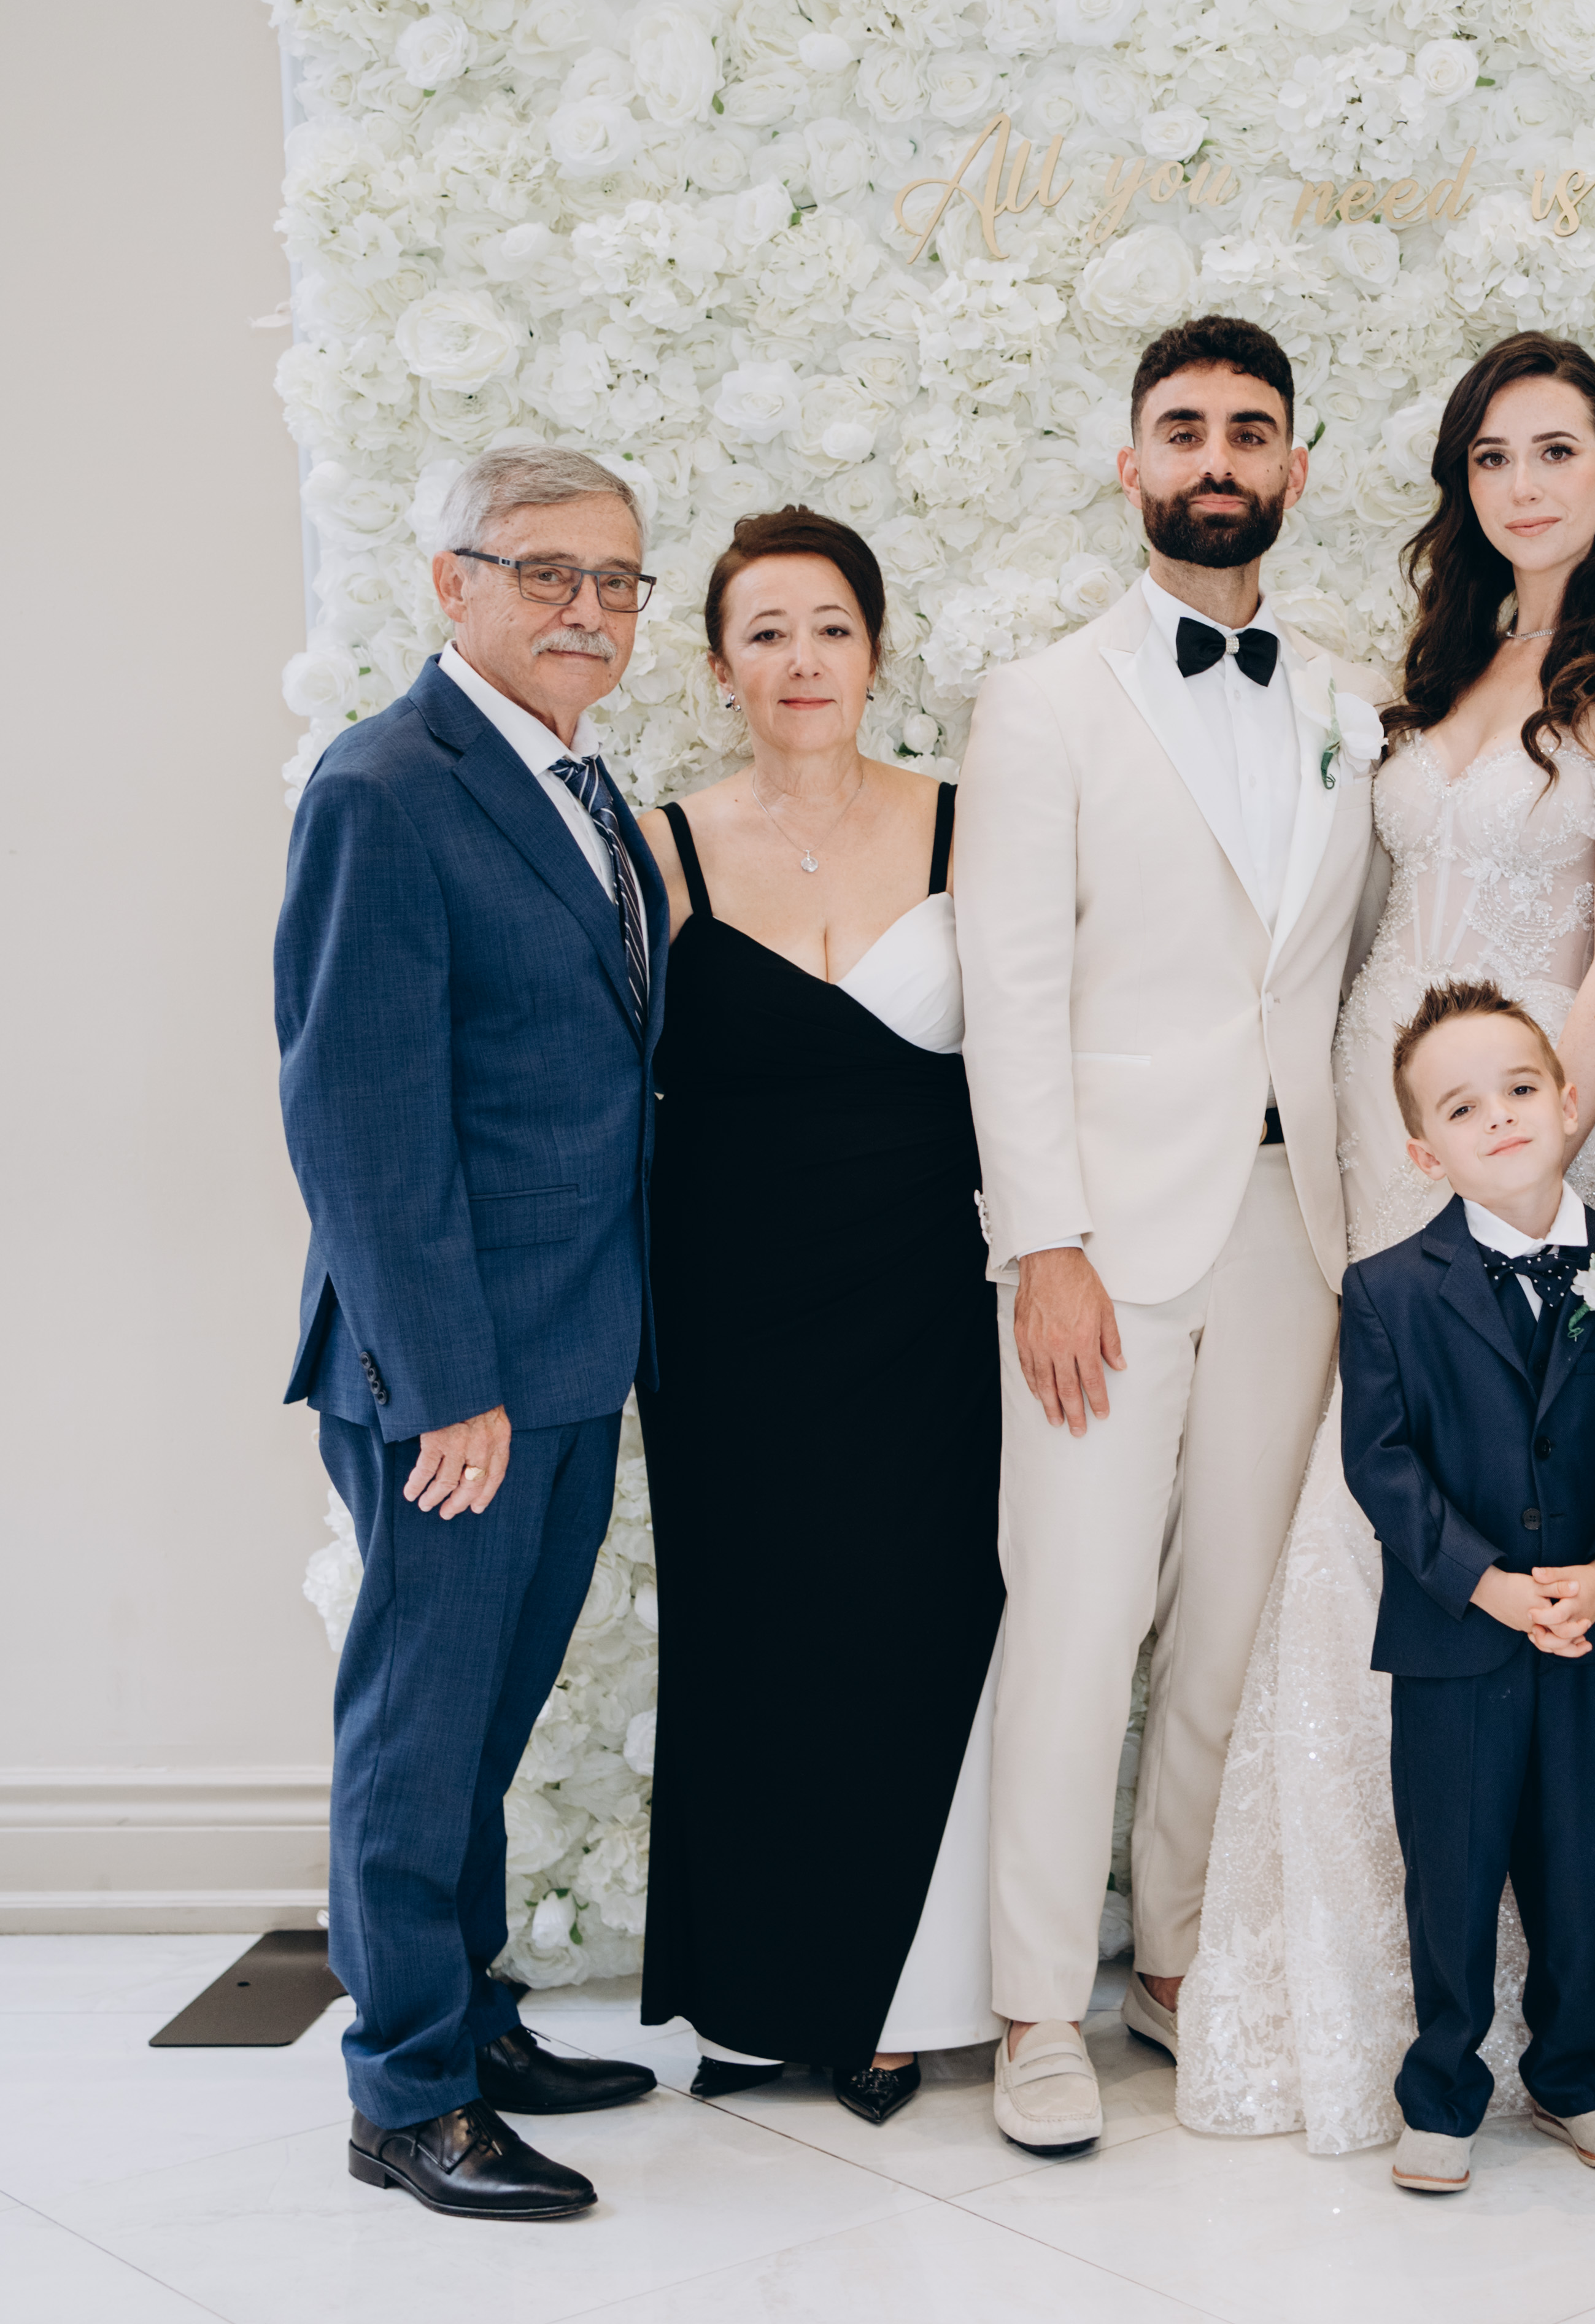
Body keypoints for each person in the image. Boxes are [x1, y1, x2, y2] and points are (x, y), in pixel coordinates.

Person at [1180, 330, 1595, 2154]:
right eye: (1492, 455)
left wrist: (1532, 1152)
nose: (1523, 484)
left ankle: (1558, 2008)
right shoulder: (1456, 659)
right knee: (1386, 1466)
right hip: (1384, 1114)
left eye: (1555, 449)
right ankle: (1357, 1961)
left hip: (1520, 1118)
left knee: (1525, 1463)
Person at [954, 315, 1388, 2155]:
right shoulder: (1042, 699)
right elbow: (1009, 985)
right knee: (1076, 1613)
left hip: (1301, 1220)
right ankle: (1035, 2004)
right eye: (1187, 427)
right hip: (1103, 1236)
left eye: (1252, 430)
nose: (1220, 457)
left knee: (1234, 1619)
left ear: (1295, 468)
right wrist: (1041, 1239)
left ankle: (1176, 1955)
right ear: (1130, 463)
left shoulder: (1349, 702)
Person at [272, 446, 667, 2219]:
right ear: (453, 584)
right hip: (455, 1375)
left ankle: (472, 2016)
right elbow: (356, 1119)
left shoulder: (573, 779)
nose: (587, 607)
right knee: (418, 1732)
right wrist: (444, 1387)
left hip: (568, 1347)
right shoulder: (385, 786)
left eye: (616, 578)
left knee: (486, 1721)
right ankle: (408, 2092)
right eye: (544, 572)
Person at [630, 508, 999, 2126]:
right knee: (750, 1635)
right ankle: (756, 1992)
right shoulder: (661, 849)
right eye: (766, 632)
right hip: (726, 1316)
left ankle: (891, 2002)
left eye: (831, 627)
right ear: (719, 666)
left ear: (877, 650)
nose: (802, 660)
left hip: (929, 1304)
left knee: (914, 1621)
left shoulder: (966, 827)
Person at [1339, 982, 1595, 2196]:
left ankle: (1577, 2072)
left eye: (1521, 1088)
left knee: (1576, 1861)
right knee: (1451, 1867)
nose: (1499, 1116)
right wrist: (1483, 1583)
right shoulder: (1389, 1288)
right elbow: (1381, 1465)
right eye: (1462, 1106)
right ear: (1422, 1151)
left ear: (1569, 1100)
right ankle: (1440, 2088)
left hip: (1584, 1633)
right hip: (1456, 1640)